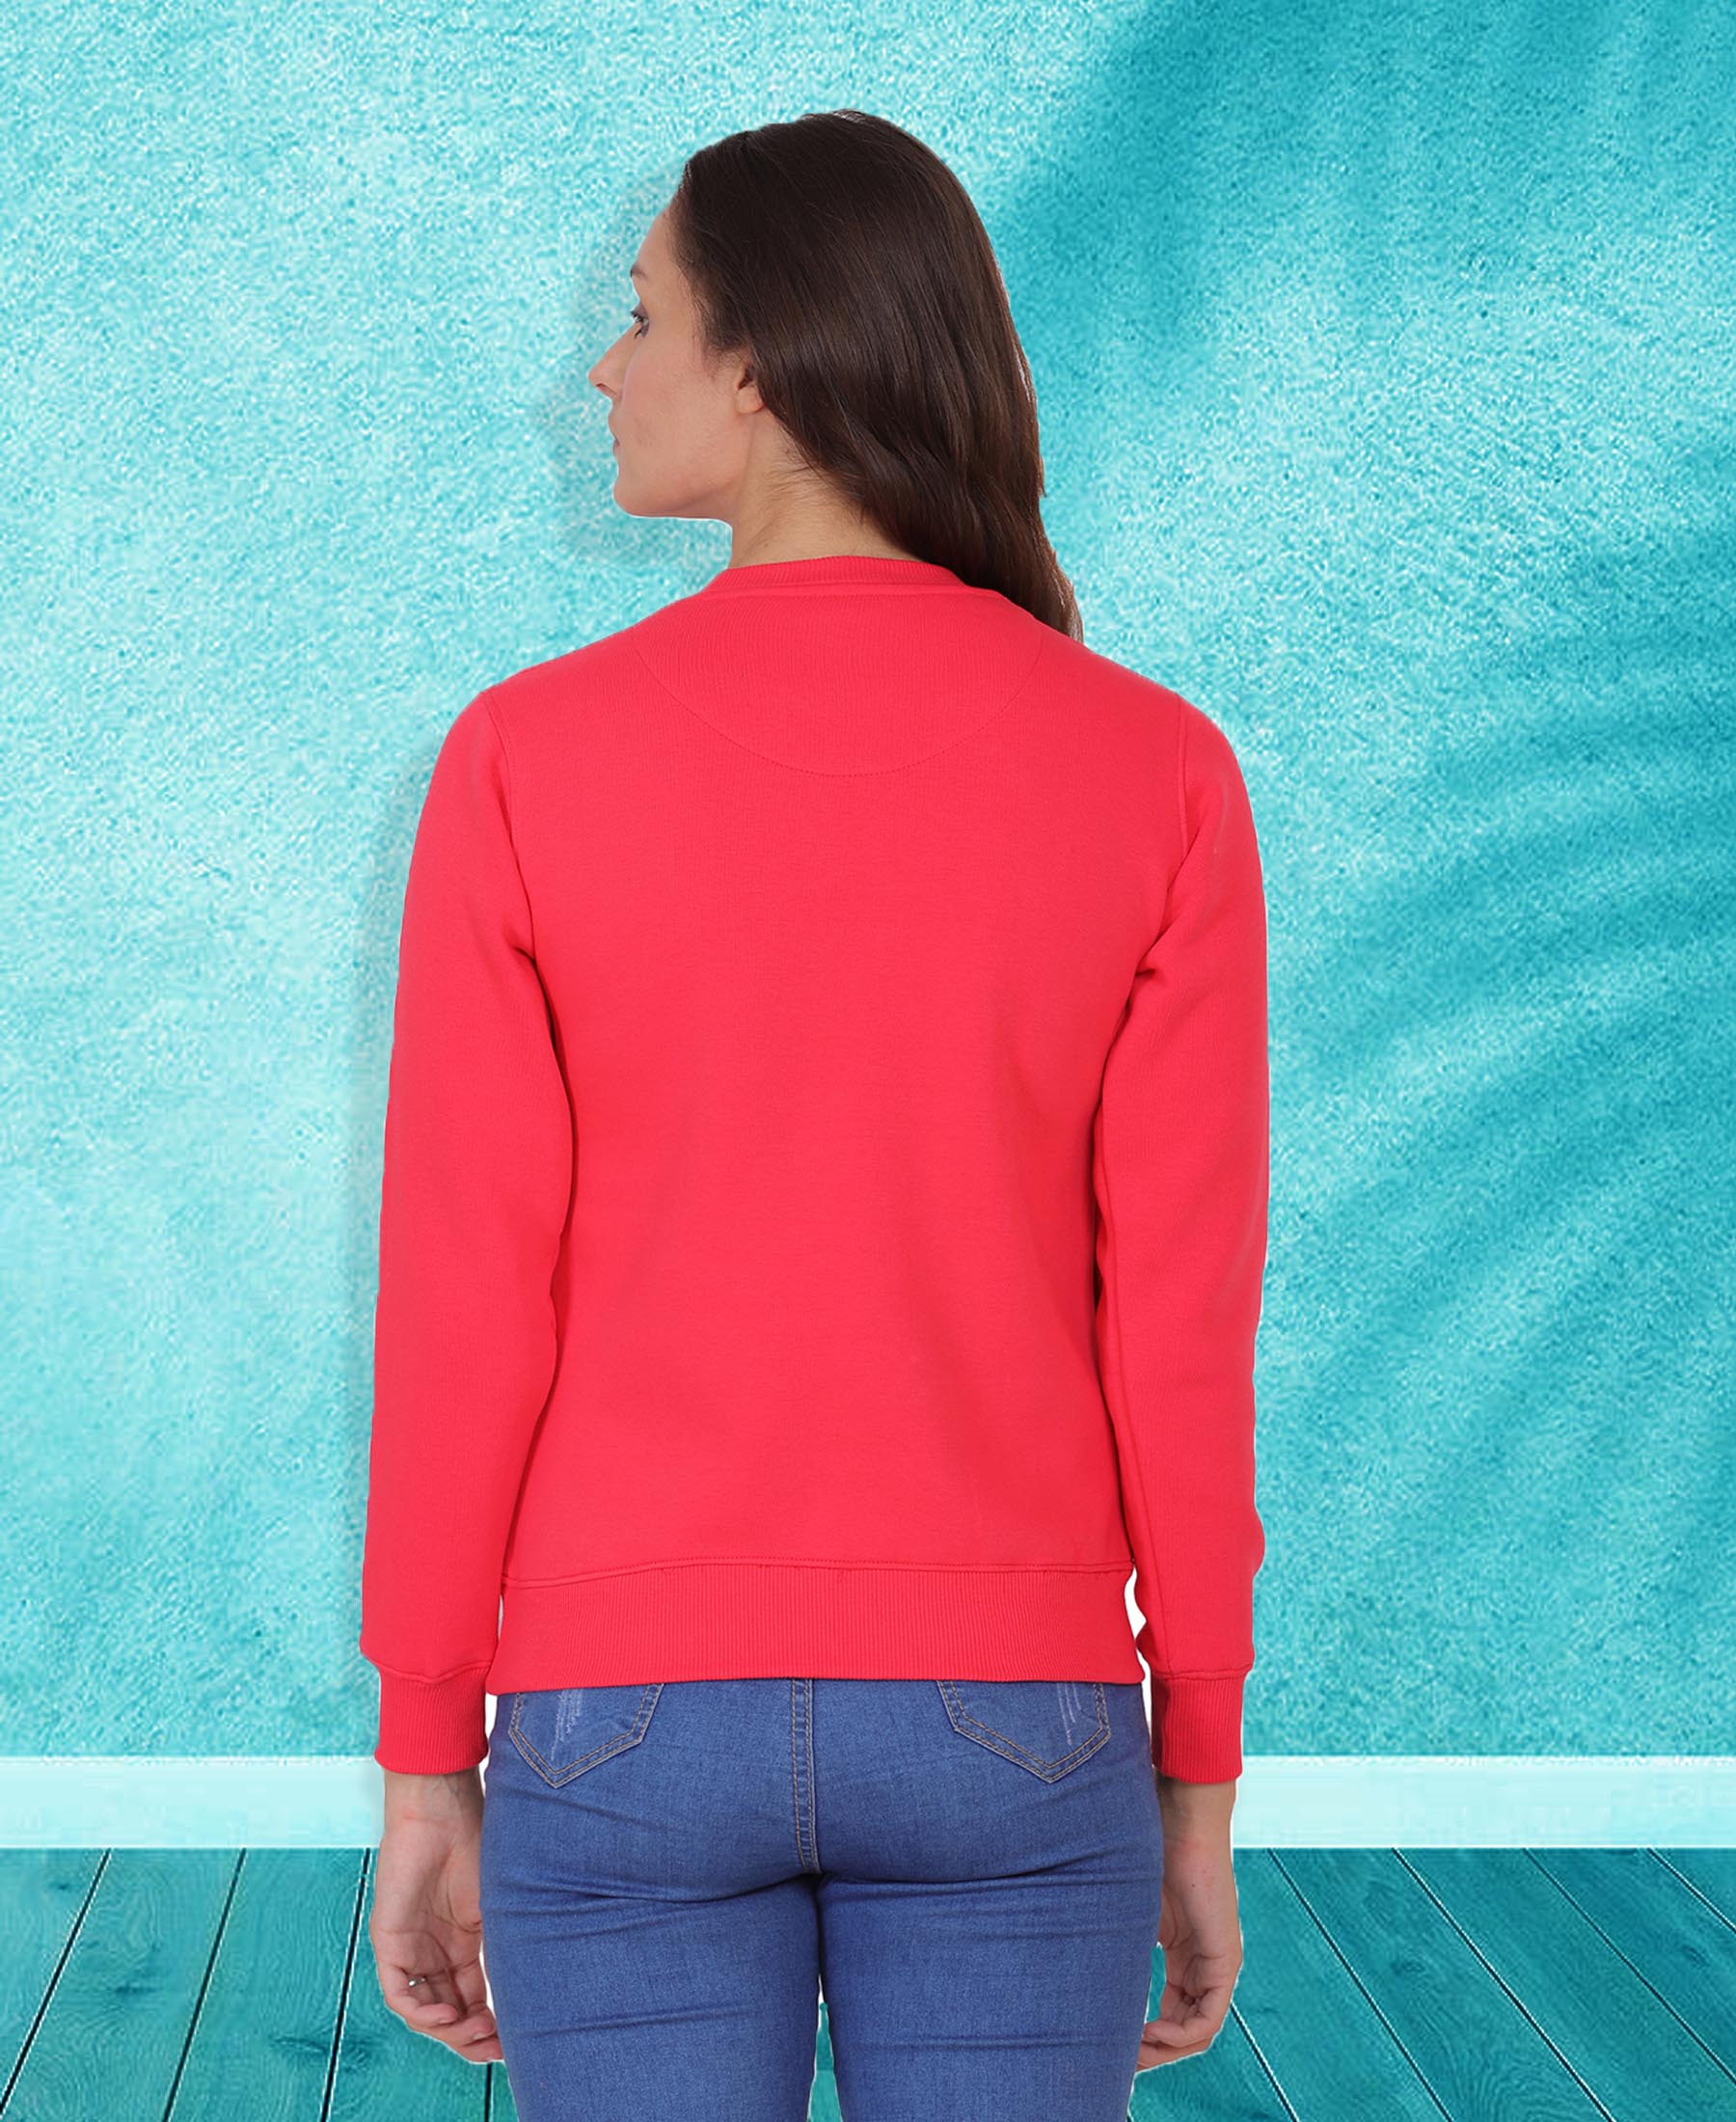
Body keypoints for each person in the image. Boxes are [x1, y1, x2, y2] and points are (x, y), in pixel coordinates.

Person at [358, 109, 1270, 2122]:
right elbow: (1181, 1334)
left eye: (640, 314)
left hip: (617, 1719)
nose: (604, 368)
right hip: (1018, 1721)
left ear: (759, 360)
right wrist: (1198, 1774)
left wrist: (428, 1759)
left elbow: (462, 1307)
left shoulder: (524, 760)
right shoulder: (1157, 770)